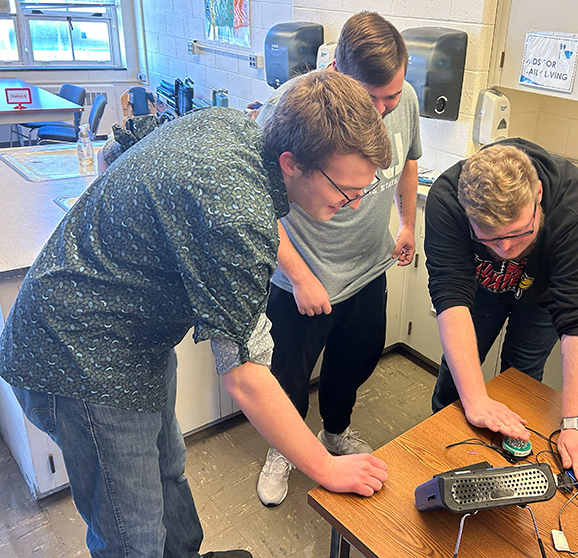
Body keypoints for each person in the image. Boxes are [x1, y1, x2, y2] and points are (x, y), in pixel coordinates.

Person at [0, 70, 390, 558]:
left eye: (363, 190)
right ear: (292, 163)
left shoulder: (237, 126)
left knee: (168, 475)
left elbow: (122, 145)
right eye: (346, 190)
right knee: (132, 537)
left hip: (134, 342)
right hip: (77, 356)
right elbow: (245, 377)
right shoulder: (238, 213)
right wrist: (326, 467)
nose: (353, 203)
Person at [254, 11, 421, 507]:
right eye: (372, 97)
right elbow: (259, 206)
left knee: (356, 360)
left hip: (366, 267)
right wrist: (301, 277)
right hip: (302, 277)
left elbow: (409, 158)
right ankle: (282, 451)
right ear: (336, 73)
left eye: (392, 95)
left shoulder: (403, 102)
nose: (384, 108)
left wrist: (407, 223)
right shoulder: (288, 110)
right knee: (287, 375)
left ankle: (335, 432)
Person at [426, 138, 578, 492]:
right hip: (477, 292)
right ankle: (439, 452)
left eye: (519, 233)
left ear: (538, 194)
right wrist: (476, 400)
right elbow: (450, 295)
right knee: (458, 380)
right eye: (491, 239)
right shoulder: (448, 198)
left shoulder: (576, 206)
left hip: (541, 296)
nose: (507, 250)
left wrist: (576, 425)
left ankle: (509, 461)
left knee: (522, 376)